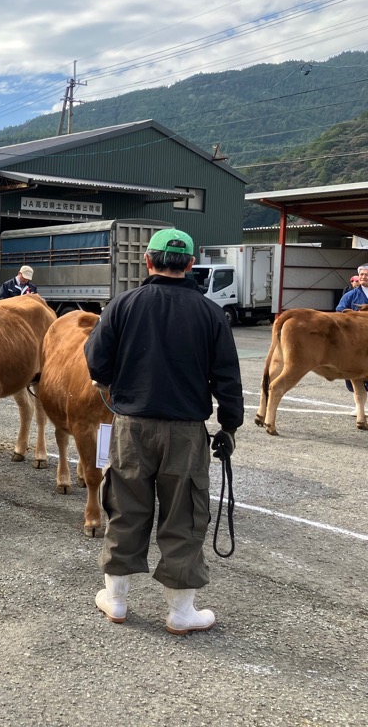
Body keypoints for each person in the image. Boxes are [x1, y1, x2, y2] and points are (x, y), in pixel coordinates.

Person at [84, 228, 243, 635]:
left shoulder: (123, 305)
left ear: (148, 261)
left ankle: (116, 600)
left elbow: (97, 362)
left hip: (131, 426)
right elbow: (227, 377)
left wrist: (116, 381)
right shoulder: (210, 313)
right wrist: (229, 426)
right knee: (185, 514)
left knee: (125, 508)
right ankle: (181, 612)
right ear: (190, 264)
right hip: (187, 431)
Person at [336, 264, 368, 400]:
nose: (364, 277)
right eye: (361, 274)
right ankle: (359, 403)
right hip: (355, 339)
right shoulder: (350, 295)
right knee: (353, 374)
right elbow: (339, 312)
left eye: (366, 275)